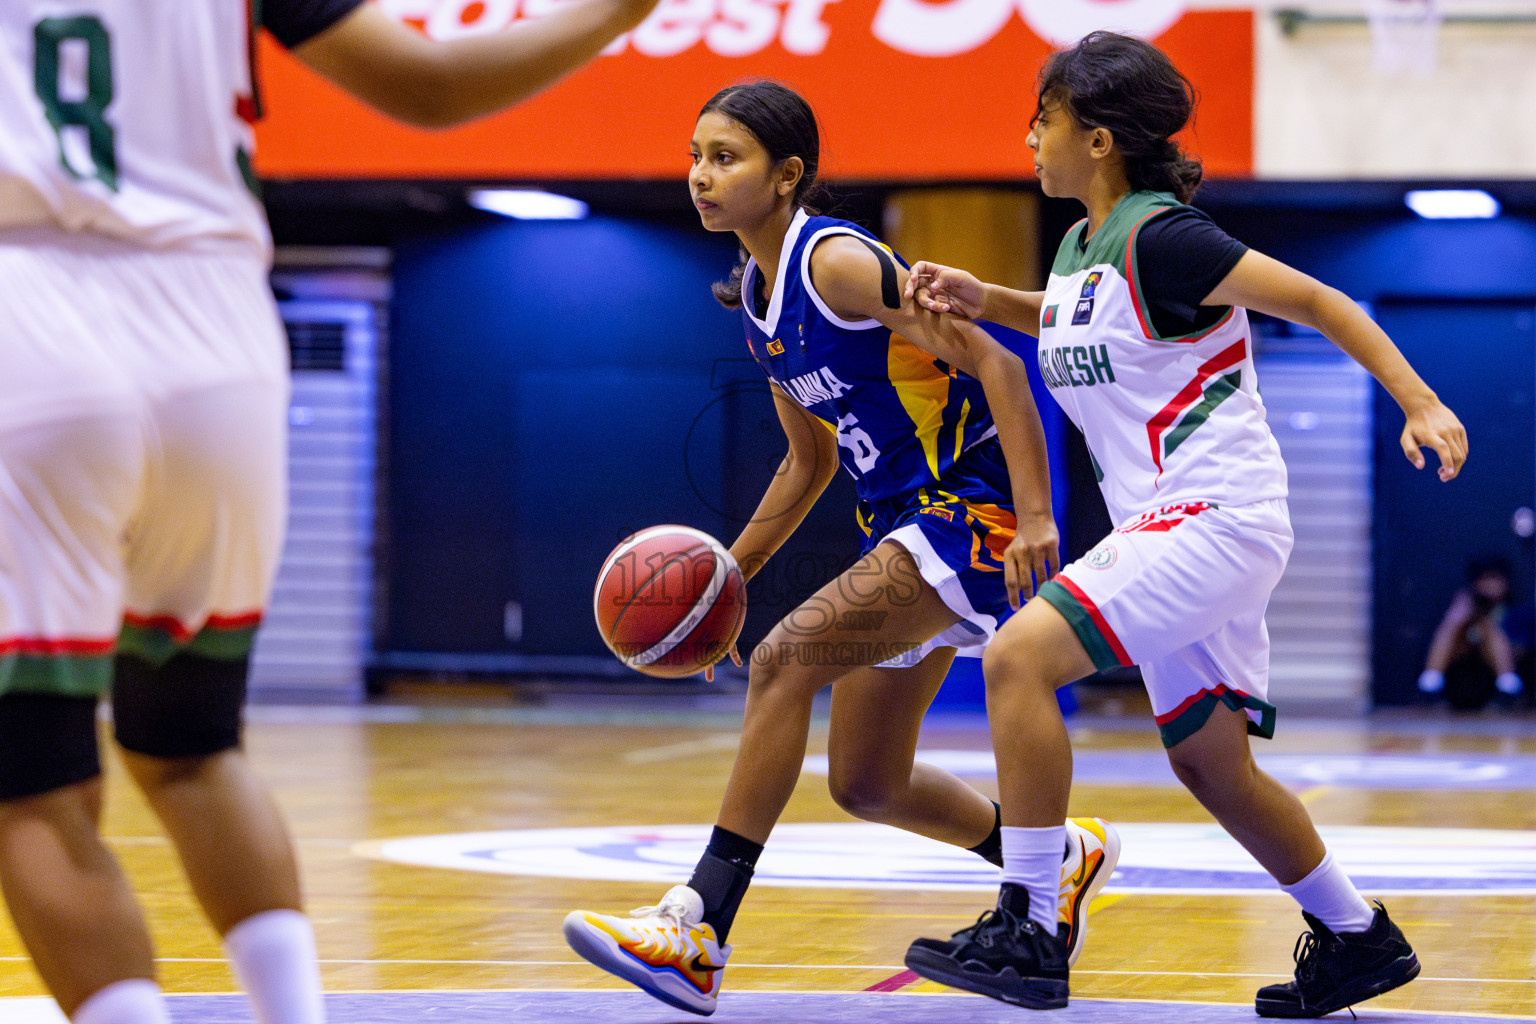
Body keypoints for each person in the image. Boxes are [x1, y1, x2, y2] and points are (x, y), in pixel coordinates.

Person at [0, 2, 664, 1022]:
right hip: (218, 330)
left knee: (32, 780)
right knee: (193, 746)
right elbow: (432, 86)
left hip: (32, 304)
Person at [898, 31, 1467, 1017]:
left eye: (1044, 118)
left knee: (1017, 659)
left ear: (1100, 138)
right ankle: (1356, 936)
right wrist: (987, 299)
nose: (1029, 135)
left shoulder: (1168, 239)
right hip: (1176, 525)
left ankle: (1031, 922)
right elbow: (1077, 319)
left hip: (1214, 515)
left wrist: (1420, 401)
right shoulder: (1081, 247)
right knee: (1211, 761)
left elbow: (1321, 300)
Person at [562, 80, 1120, 1017]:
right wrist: (728, 577)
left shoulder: (837, 264)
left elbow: (997, 362)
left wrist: (1036, 517)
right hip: (900, 522)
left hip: (968, 508)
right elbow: (808, 460)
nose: (700, 175)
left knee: (783, 662)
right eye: (696, 156)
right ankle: (1053, 856)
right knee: (867, 782)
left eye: (725, 157)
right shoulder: (758, 303)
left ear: (788, 175)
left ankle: (698, 928)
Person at [1419, 555, 1529, 710]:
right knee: (1454, 620)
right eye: (1484, 579)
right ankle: (1429, 685)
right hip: (1462, 677)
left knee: (1489, 630)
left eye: (1494, 578)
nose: (1490, 585)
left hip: (1497, 676)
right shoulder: (1462, 608)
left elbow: (1521, 650)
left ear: (1506, 581)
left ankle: (1509, 689)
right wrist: (1459, 616)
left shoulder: (1515, 611)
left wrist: (1487, 626)